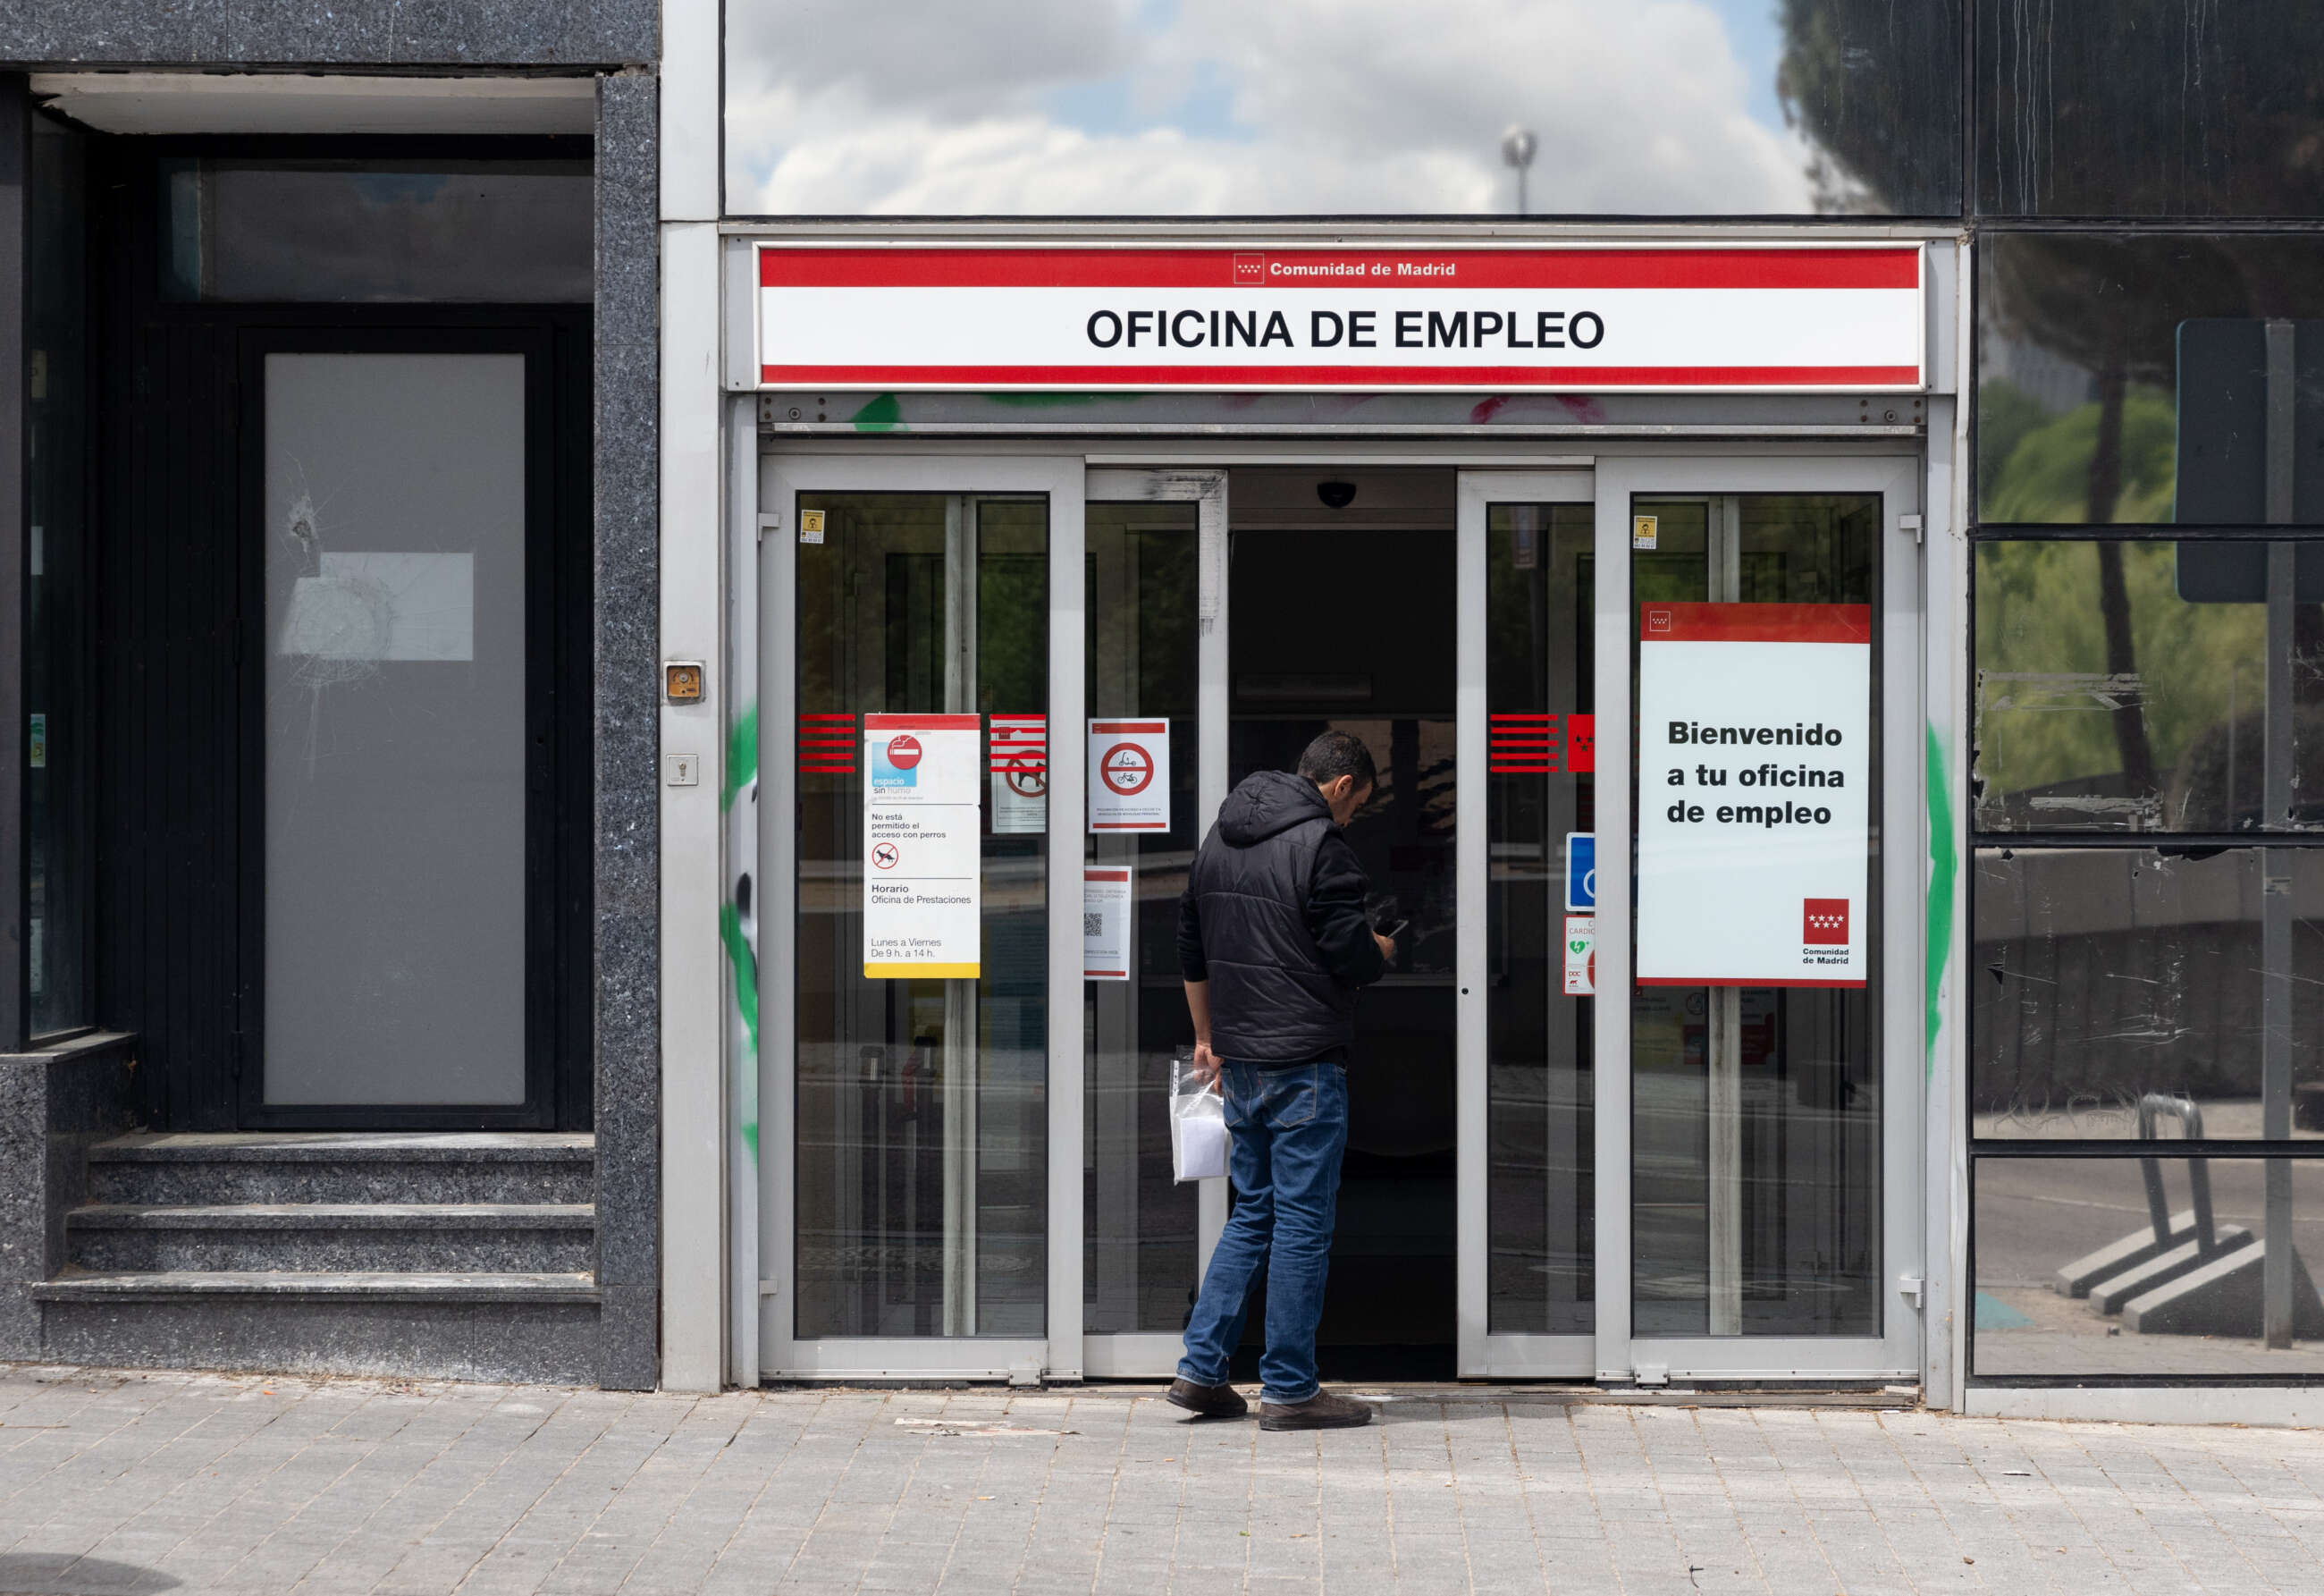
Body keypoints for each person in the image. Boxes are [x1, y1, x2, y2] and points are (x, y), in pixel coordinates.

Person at [1166, 729, 1397, 1431]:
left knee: (1254, 1211)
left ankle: (1202, 1371)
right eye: (1355, 806)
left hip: (1242, 1061)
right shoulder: (1321, 847)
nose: (1349, 821)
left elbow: (1190, 946)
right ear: (1343, 784)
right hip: (1305, 1064)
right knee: (1300, 1221)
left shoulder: (1218, 839)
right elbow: (1348, 954)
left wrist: (1207, 1036)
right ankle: (1291, 1388)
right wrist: (1382, 945)